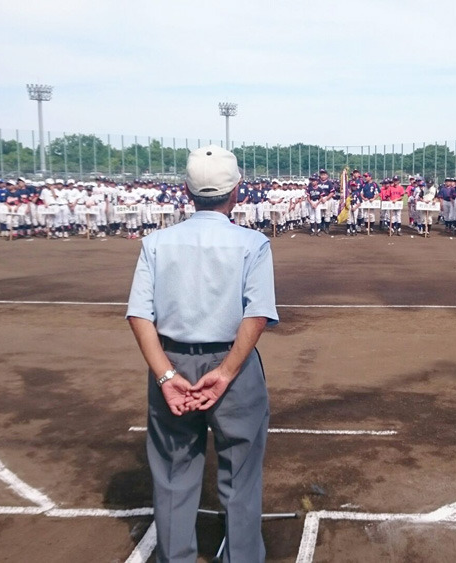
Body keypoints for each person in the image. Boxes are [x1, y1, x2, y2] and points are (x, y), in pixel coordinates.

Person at [126, 145, 278, 563]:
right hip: (233, 365)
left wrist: (166, 377)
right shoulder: (252, 243)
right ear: (237, 191)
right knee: (241, 478)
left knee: (174, 476)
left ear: (186, 190)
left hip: (171, 361)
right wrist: (227, 372)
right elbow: (257, 314)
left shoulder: (156, 242)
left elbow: (139, 315)